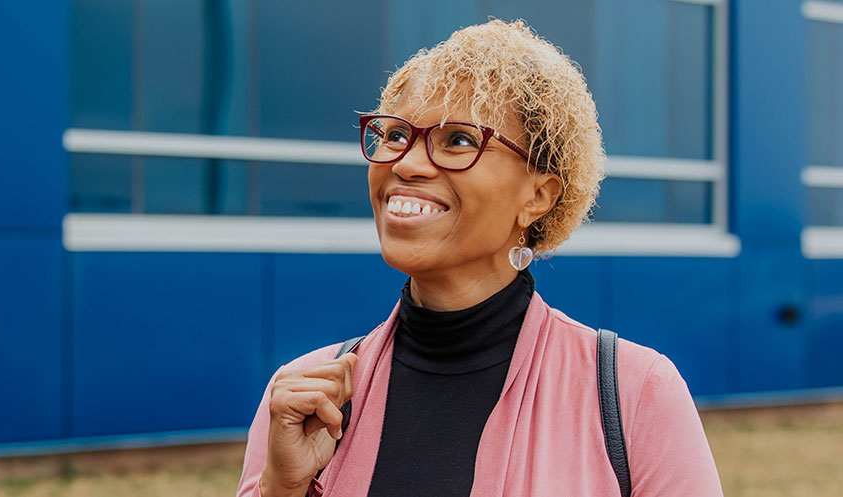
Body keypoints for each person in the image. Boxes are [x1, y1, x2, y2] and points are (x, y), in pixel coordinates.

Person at [236, 19, 723, 497]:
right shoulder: (304, 397)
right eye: (396, 135)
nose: (405, 163)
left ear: (538, 196)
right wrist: (283, 489)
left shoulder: (635, 395)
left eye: (458, 141)